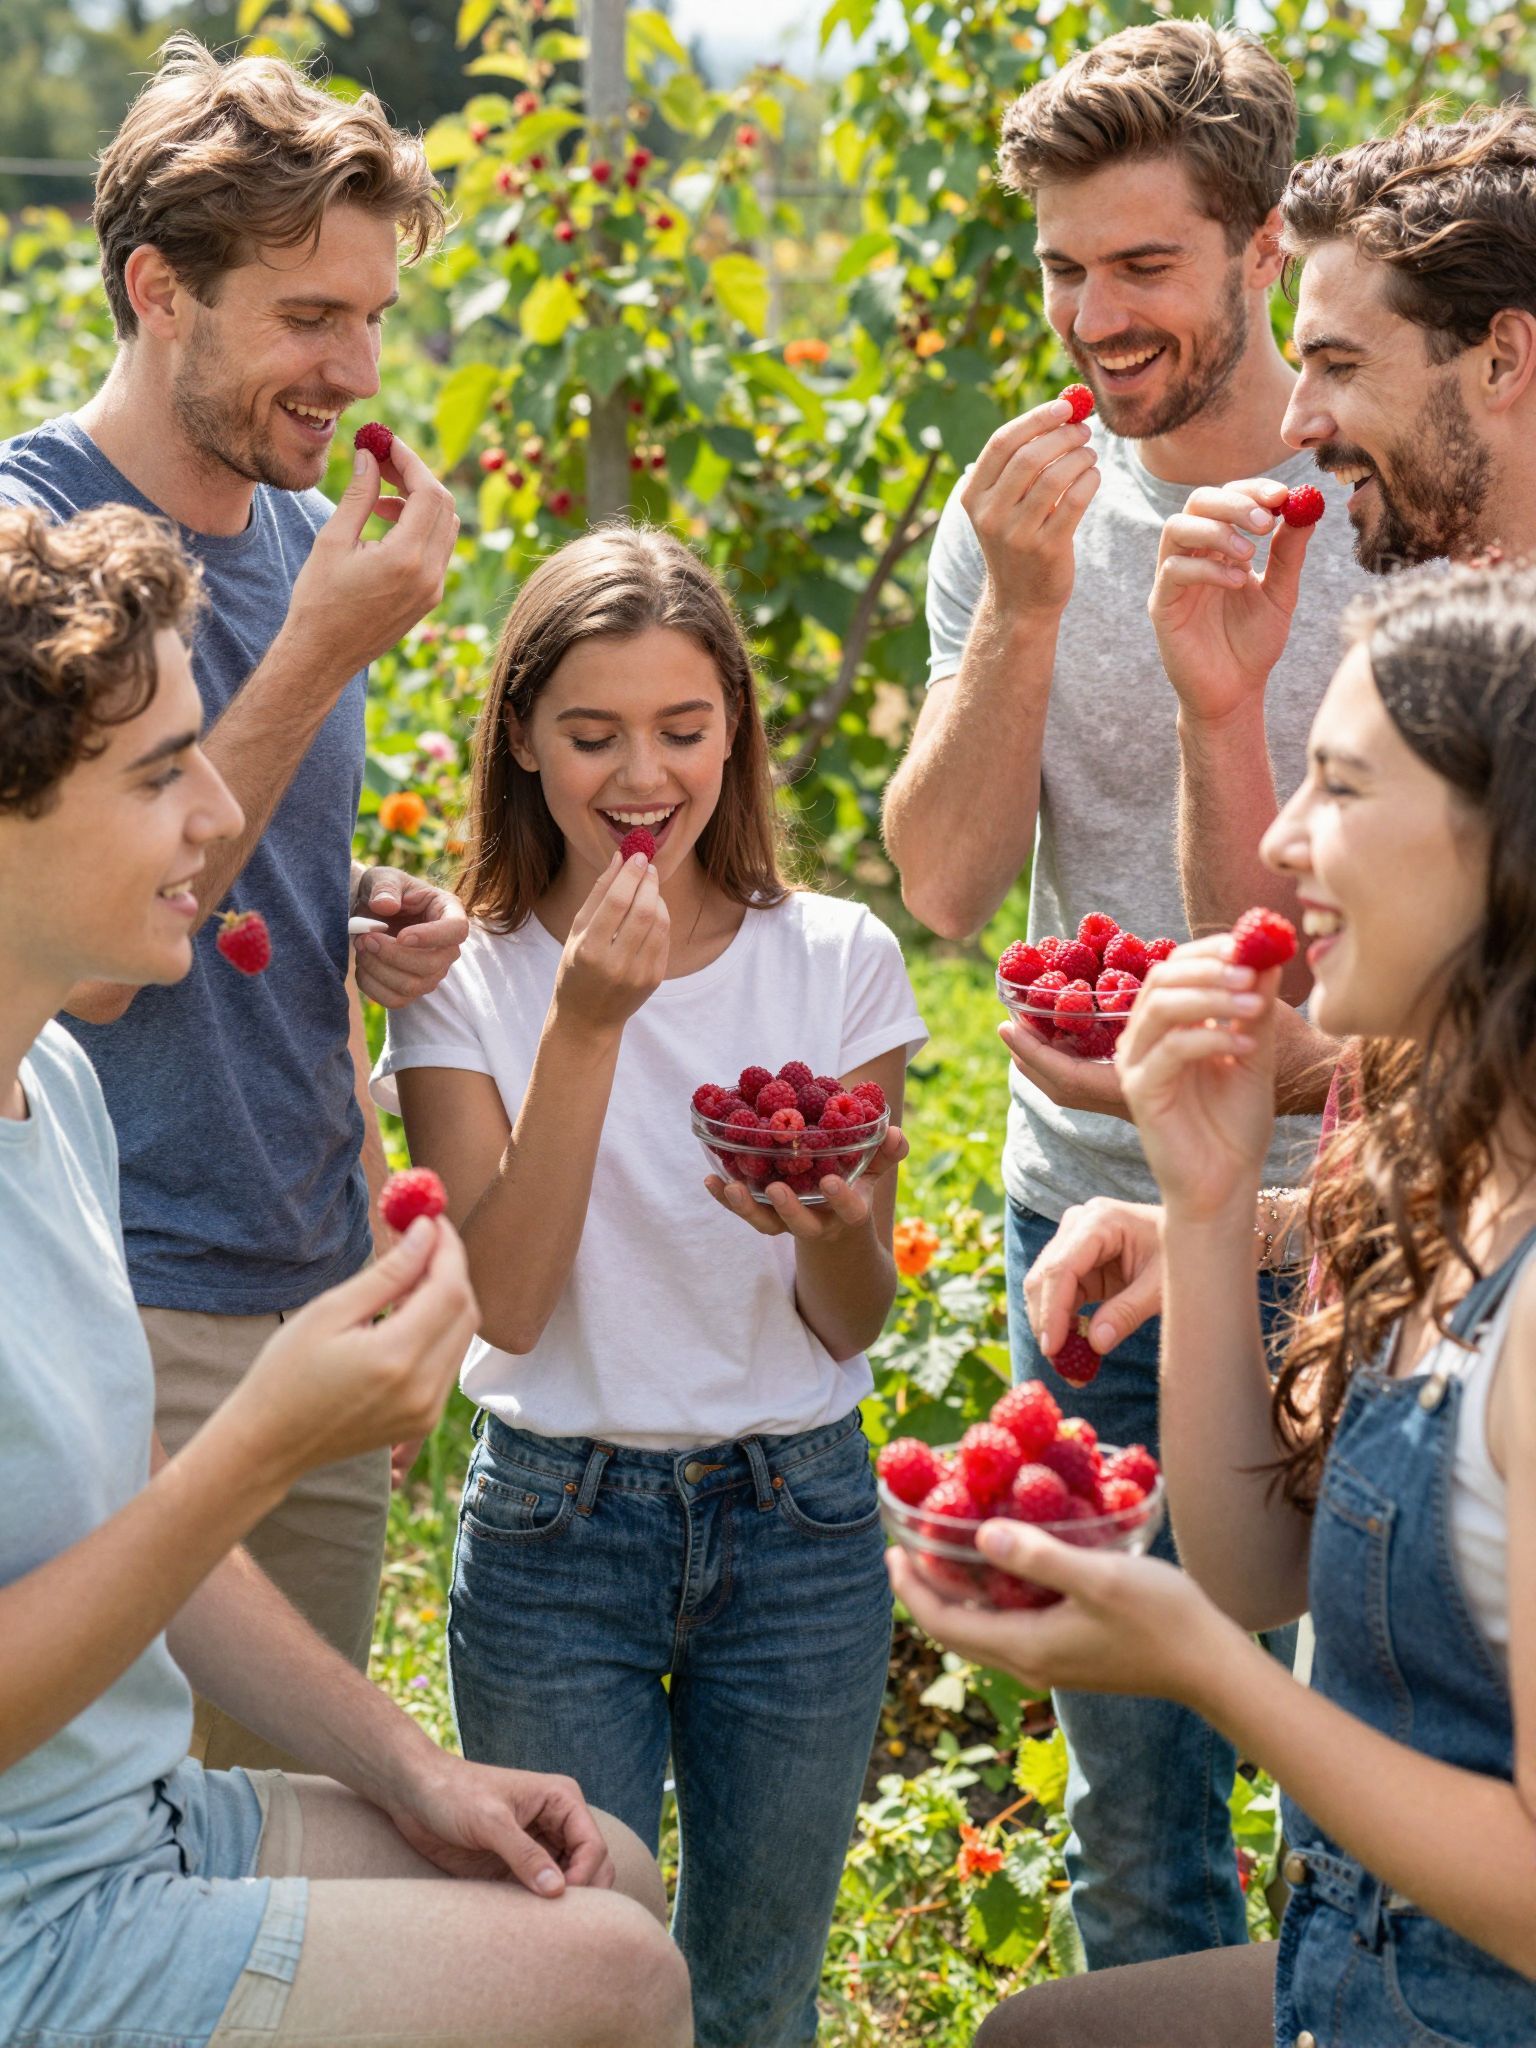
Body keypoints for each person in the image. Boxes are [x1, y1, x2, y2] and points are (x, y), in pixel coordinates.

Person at [0, 501, 691, 2048]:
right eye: (161, 772)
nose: (216, 818)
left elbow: (125, 1497)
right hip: (27, 1932)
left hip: (130, 1825)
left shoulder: (59, 1087)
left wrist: (408, 1765)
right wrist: (260, 1447)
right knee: (616, 1981)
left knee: (604, 1877)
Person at [900, 555, 1536, 2048]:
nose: (1283, 840)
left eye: (1340, 788)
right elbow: (1259, 1572)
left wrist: (1196, 1668)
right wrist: (1199, 1199)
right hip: (1360, 1966)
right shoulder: (1439, 1195)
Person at [880, 20, 1363, 1968]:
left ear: (1258, 254)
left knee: (1367, 1745)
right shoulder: (1020, 515)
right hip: (1094, 1193)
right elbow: (939, 882)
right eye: (1064, 269)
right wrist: (1014, 604)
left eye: (1144, 265)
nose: (1094, 316)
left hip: (1365, 1201)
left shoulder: (1385, 513)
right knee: (1132, 1789)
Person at [372, 525, 928, 2048]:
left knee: (757, 1993)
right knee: (578, 1989)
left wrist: (821, 1217)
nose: (642, 777)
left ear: (734, 727)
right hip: (558, 1528)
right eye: (592, 734)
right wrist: (587, 1025)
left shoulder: (838, 958)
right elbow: (510, 1303)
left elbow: (853, 1317)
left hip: (801, 1520)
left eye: (683, 729)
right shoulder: (466, 980)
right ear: (521, 742)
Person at [0, 34, 470, 1772]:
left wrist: (346, 913)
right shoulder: (31, 548)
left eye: (368, 317)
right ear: (156, 290)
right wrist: (320, 652)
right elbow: (82, 968)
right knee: (116, 1846)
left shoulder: (287, 530)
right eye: (305, 317)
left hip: (302, 1252)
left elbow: (205, 873)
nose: (351, 367)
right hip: (132, 1300)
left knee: (278, 1813)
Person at [1031, 104, 1536, 1364]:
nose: (1298, 414)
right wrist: (1237, 1228)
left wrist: (1313, 1072)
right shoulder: (1470, 635)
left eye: (1341, 365)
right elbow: (1485, 1174)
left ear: (1502, 356)